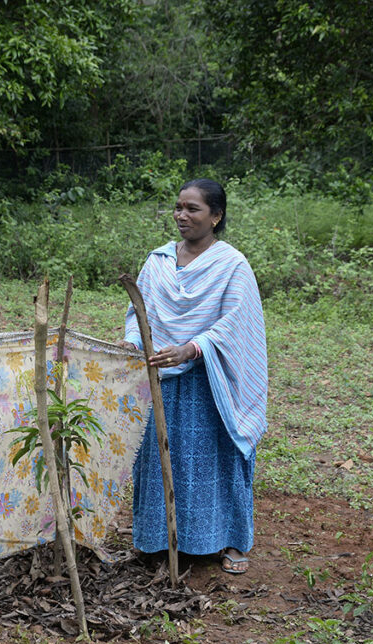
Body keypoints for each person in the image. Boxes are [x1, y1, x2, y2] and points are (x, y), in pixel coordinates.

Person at [119, 178, 267, 575]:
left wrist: (192, 347)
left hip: (210, 383)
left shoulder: (231, 264)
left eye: (193, 209)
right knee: (159, 456)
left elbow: (237, 322)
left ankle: (231, 540)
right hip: (160, 379)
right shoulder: (159, 261)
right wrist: (134, 342)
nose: (182, 216)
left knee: (217, 458)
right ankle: (157, 539)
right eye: (178, 207)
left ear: (216, 216)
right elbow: (139, 313)